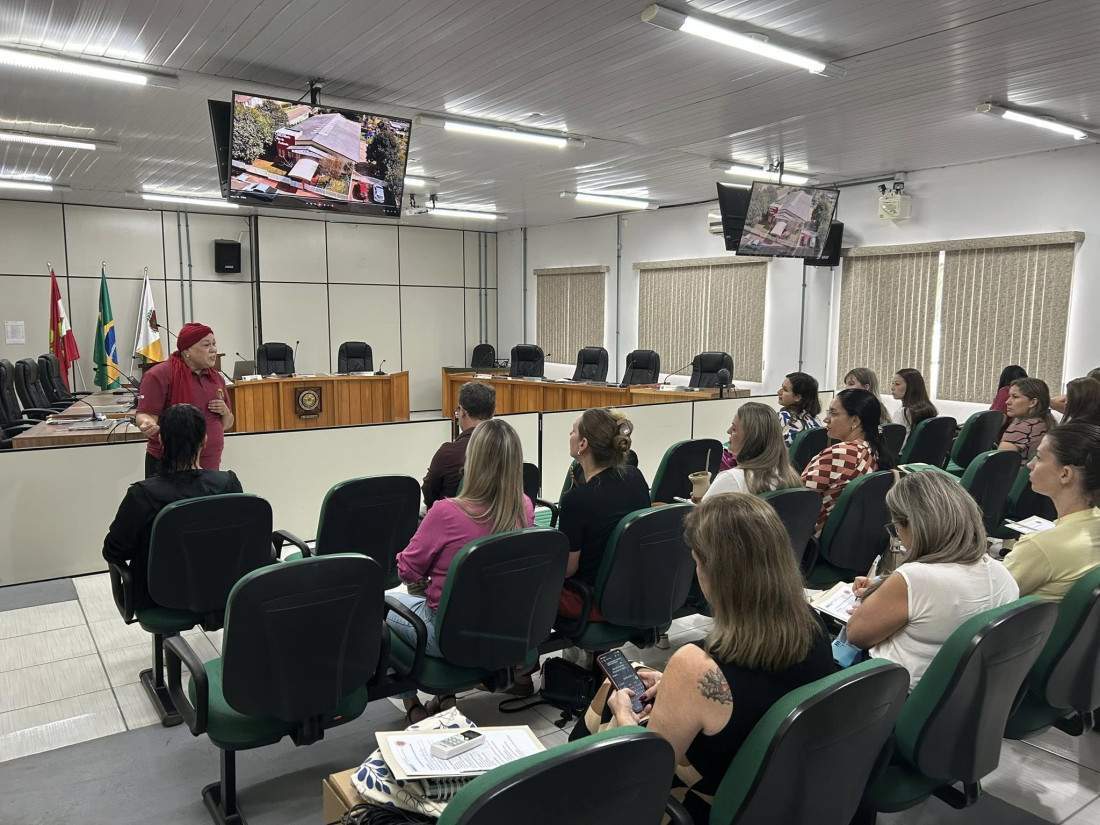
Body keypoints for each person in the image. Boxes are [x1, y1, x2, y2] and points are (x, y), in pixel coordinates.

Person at [574, 494, 835, 822]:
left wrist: (625, 720)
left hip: (709, 801)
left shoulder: (696, 665)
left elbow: (643, 777)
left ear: (715, 574)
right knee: (633, 676)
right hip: (771, 792)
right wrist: (676, 689)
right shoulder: (813, 625)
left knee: (608, 704)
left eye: (696, 561)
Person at [388, 418, 534, 722]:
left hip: (448, 638)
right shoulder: (524, 506)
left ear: (472, 460)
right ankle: (446, 697)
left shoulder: (445, 512)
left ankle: (412, 703)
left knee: (380, 606)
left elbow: (406, 572)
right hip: (505, 629)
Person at [847, 472, 1019, 689]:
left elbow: (856, 635)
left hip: (890, 691)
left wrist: (875, 600)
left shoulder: (914, 578)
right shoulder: (1002, 575)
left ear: (913, 525)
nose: (899, 537)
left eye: (896, 528)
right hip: (956, 693)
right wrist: (884, 591)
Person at [102, 404, 243, 611]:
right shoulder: (228, 484)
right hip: (221, 588)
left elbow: (113, 551)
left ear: (161, 440)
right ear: (204, 440)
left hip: (159, 596)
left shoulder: (142, 495)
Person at [558, 408, 651, 619]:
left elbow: (567, 570)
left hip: (592, 600)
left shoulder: (576, 500)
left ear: (583, 444)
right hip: (635, 592)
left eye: (573, 431)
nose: (570, 435)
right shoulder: (636, 477)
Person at [1005, 423, 1100, 600]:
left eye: (1039, 457)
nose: (1030, 465)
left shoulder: (1039, 547)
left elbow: (987, 598)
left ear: (1065, 474)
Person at [135, 322, 233, 477]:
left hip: (209, 466)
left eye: (214, 344)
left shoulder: (216, 378)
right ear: (187, 351)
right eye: (206, 345)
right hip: (168, 466)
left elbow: (227, 424)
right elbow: (144, 414)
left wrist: (225, 412)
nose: (213, 349)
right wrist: (147, 423)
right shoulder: (159, 375)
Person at [802, 389, 891, 536]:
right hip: (847, 538)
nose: (826, 419)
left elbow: (798, 497)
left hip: (810, 537)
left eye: (833, 413)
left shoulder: (843, 453)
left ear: (855, 421)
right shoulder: (872, 450)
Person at [703, 402, 803, 500]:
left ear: (751, 439)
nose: (728, 431)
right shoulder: (791, 477)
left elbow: (702, 511)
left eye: (734, 429)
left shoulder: (732, 479)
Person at [422, 381, 495, 509]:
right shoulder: (506, 448)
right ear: (492, 413)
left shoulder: (448, 453)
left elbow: (429, 495)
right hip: (499, 518)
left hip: (453, 518)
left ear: (463, 412)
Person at [998, 377, 1055, 463]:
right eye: (1009, 396)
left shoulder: (1021, 428)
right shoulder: (1046, 421)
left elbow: (998, 464)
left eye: (1015, 397)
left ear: (1033, 402)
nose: (1007, 402)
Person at [777, 371, 823, 447]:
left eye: (785, 390)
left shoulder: (783, 417)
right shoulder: (816, 420)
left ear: (797, 397)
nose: (778, 392)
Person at [890, 368, 937, 434]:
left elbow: (893, 439)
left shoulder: (903, 413)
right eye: (892, 383)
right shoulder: (930, 409)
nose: (892, 388)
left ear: (911, 387)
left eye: (897, 384)